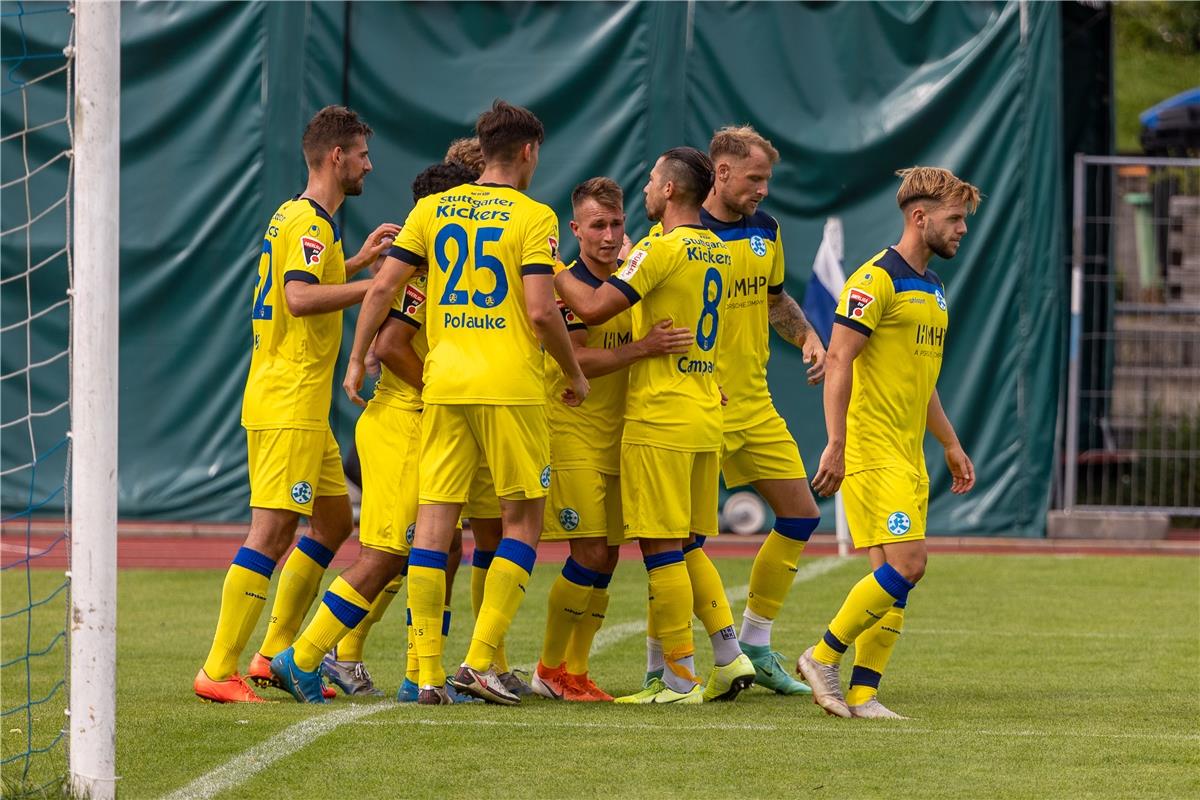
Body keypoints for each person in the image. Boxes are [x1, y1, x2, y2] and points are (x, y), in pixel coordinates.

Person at [344, 99, 589, 705]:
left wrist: (356, 358)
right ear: (528, 151)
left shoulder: (431, 208)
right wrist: (574, 370)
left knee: (434, 521)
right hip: (508, 385)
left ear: (483, 147)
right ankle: (481, 659)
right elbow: (539, 309)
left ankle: (425, 673)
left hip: (444, 383)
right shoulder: (534, 216)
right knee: (522, 519)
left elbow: (382, 286)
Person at [193, 106, 399, 703]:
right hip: (287, 399)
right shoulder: (309, 224)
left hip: (303, 405)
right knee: (273, 530)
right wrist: (378, 283)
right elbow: (300, 298)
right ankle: (217, 668)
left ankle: (270, 657)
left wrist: (357, 262)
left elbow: (307, 283)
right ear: (337, 157)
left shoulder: (309, 220)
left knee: (333, 523)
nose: (368, 163)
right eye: (361, 153)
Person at [269, 161, 490, 703]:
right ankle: (300, 657)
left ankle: (419, 673)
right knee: (387, 554)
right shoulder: (421, 276)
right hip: (400, 423)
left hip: (422, 425)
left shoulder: (436, 270)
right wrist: (429, 385)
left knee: (442, 548)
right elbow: (389, 346)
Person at [556, 147, 752, 704]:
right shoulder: (719, 249)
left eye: (649, 180)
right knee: (690, 546)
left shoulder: (658, 250)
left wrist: (541, 265)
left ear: (669, 191)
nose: (642, 189)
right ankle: (728, 655)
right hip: (703, 411)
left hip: (659, 415)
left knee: (662, 551)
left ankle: (677, 678)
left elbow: (593, 309)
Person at [800, 166, 980, 719]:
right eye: (954, 220)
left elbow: (920, 382)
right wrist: (836, 442)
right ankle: (820, 655)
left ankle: (863, 693)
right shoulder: (874, 279)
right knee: (908, 564)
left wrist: (949, 443)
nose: (962, 231)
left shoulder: (933, 288)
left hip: (909, 451)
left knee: (891, 576)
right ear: (920, 217)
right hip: (874, 449)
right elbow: (839, 359)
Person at [532, 178, 692, 702]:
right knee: (588, 553)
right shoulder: (569, 288)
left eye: (616, 223)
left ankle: (574, 671)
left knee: (606, 559)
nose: (607, 235)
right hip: (574, 434)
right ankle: (548, 667)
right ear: (575, 229)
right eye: (596, 225)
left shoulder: (632, 281)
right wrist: (641, 349)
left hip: (625, 437)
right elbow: (575, 358)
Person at [698, 125, 827, 696]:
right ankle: (678, 667)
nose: (763, 190)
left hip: (756, 404)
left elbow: (774, 300)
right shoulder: (681, 232)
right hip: (700, 403)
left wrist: (807, 337)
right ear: (721, 171)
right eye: (755, 178)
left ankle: (755, 643)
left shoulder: (766, 230)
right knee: (680, 542)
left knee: (800, 516)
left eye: (767, 180)